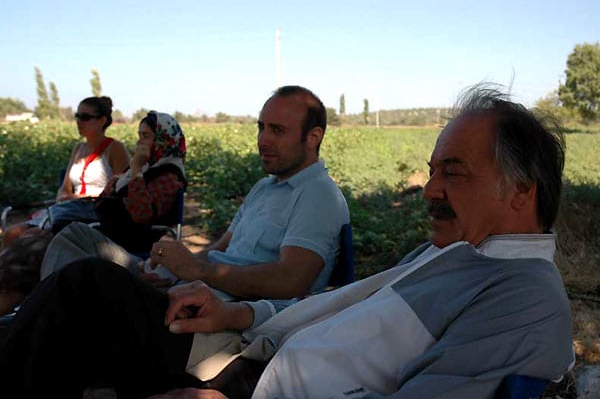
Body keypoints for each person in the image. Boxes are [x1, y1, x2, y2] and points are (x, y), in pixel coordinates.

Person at [0, 83, 574, 399]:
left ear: (520, 190)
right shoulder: (449, 255)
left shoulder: (524, 298)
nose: (429, 189)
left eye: (454, 172)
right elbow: (327, 305)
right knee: (80, 289)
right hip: (249, 348)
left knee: (82, 290)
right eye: (432, 170)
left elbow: (301, 281)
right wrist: (240, 308)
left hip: (252, 380)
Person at [39, 85, 350, 304]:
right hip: (188, 282)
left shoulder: (318, 196)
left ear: (313, 137)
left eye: (277, 131)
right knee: (75, 237)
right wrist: (177, 266)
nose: (263, 140)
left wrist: (198, 272)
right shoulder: (264, 187)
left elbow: (291, 281)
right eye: (261, 127)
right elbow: (220, 249)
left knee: (81, 275)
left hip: (208, 303)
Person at [0, 111, 186, 316]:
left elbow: (140, 215)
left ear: (163, 140)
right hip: (101, 228)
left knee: (31, 256)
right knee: (25, 243)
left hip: (123, 238)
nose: (140, 142)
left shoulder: (169, 175)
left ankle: (25, 313)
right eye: (139, 135)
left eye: (146, 136)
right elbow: (106, 197)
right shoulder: (147, 167)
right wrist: (125, 178)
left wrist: (136, 172)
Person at [1, 96, 130, 247]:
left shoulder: (115, 148)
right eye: (77, 116)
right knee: (11, 233)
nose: (79, 121)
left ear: (102, 120)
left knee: (30, 239)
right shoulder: (78, 148)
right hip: (68, 208)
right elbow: (65, 187)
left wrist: (76, 197)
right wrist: (64, 197)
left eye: (85, 117)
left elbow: (119, 192)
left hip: (94, 213)